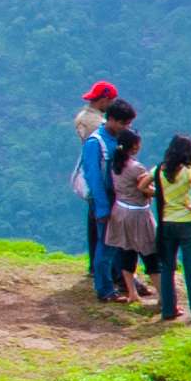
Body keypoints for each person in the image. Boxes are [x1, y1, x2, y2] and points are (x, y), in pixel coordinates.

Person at [72, 83, 122, 296]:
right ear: (104, 100)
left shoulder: (82, 116)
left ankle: (95, 266)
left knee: (94, 225)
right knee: (105, 231)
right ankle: (110, 277)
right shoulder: (96, 123)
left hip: (92, 182)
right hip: (102, 180)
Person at [150, 134, 191, 322]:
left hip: (166, 223)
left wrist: (159, 195)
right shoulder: (189, 171)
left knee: (167, 267)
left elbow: (142, 185)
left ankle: (168, 310)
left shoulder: (159, 169)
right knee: (190, 267)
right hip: (188, 223)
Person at [103, 123, 158, 303]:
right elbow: (146, 189)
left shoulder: (115, 165)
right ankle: (164, 297)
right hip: (138, 215)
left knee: (127, 252)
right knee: (150, 255)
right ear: (134, 146)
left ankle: (132, 293)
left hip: (120, 212)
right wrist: (161, 191)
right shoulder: (137, 168)